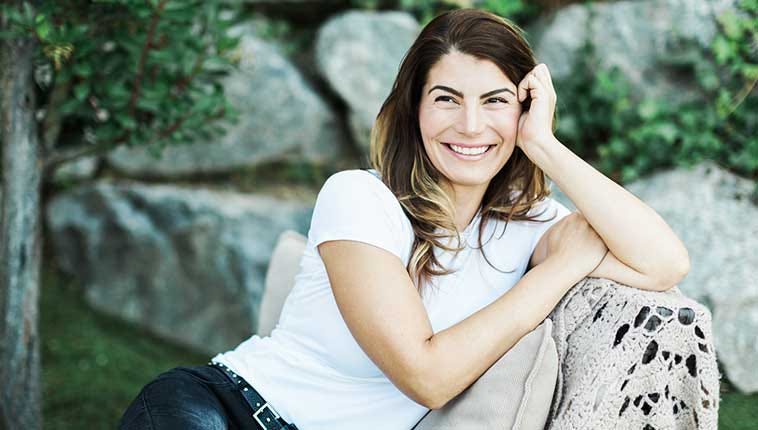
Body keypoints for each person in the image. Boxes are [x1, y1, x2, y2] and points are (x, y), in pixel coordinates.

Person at [118, 8, 690, 430]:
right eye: (446, 98)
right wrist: (556, 273)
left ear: (525, 108)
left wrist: (544, 145)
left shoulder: (533, 223)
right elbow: (426, 377)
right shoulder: (359, 199)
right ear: (415, 108)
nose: (469, 126)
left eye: (495, 101)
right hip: (226, 409)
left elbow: (665, 262)